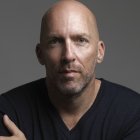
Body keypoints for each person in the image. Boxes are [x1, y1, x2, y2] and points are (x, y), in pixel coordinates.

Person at [0, 0, 140, 140]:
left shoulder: (133, 112)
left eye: (81, 40)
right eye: (55, 41)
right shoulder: (9, 111)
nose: (68, 55)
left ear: (99, 51)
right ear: (40, 54)